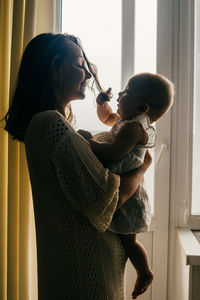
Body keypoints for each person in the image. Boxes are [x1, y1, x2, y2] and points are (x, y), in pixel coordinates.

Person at [3, 33, 152, 300]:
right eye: (79, 64)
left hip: (84, 276)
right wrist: (141, 169)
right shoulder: (51, 124)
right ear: (54, 69)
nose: (86, 73)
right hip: (84, 281)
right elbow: (108, 198)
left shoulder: (52, 124)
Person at [78, 72, 174, 299]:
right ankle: (144, 270)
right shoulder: (128, 122)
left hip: (131, 199)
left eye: (126, 92)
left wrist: (89, 142)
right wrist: (103, 106)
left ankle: (144, 271)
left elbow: (113, 153)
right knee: (123, 239)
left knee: (129, 241)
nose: (120, 94)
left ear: (142, 107)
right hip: (126, 190)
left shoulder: (134, 129)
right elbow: (109, 118)